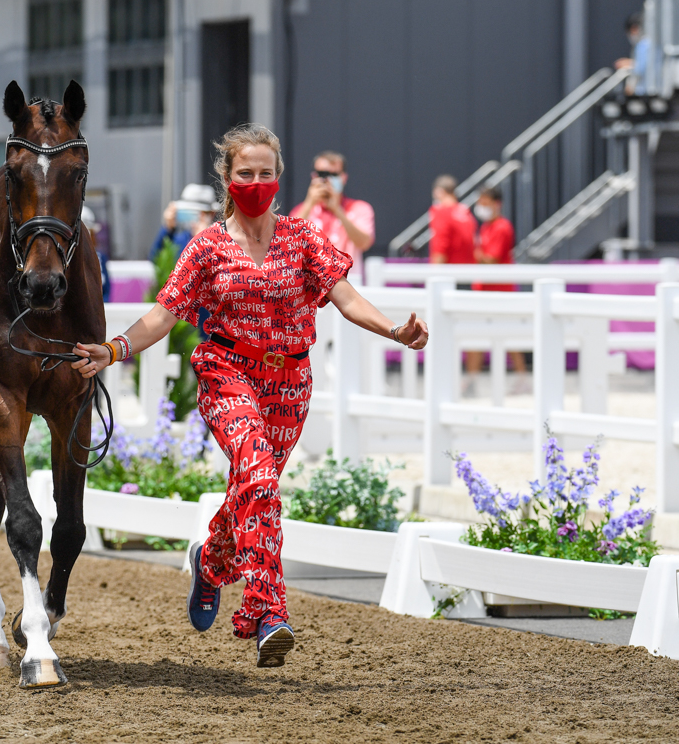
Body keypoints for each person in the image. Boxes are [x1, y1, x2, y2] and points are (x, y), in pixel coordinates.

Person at [69, 124, 429, 667]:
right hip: (226, 371)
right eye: (245, 173)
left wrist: (395, 333)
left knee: (251, 491)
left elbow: (348, 299)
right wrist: (114, 348)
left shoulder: (303, 239)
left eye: (265, 173)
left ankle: (211, 563)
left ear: (279, 179)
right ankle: (269, 612)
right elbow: (164, 315)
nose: (255, 182)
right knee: (257, 477)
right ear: (227, 178)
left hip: (290, 382)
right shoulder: (208, 247)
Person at [467, 186, 527, 377]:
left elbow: (491, 258)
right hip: (483, 289)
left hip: (501, 291)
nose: (481, 206)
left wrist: (474, 253)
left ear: (496, 204)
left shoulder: (502, 226)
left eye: (485, 202)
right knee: (476, 335)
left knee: (509, 335)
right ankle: (471, 379)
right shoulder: (484, 227)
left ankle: (522, 377)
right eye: (480, 202)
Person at [291, 150, 375, 283]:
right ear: (314, 176)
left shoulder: (360, 208)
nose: (327, 179)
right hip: (310, 286)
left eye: (333, 174)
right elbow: (288, 240)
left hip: (349, 283)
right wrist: (309, 203)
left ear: (344, 178)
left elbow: (364, 243)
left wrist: (337, 210)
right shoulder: (302, 210)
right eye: (322, 174)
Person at [149, 183, 217, 261]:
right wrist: (168, 229)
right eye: (190, 212)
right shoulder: (181, 240)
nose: (195, 219)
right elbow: (154, 260)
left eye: (202, 213)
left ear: (212, 214)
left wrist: (203, 241)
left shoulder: (220, 242)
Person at [428, 174, 476, 267]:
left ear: (439, 192)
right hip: (468, 271)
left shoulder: (441, 211)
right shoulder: (465, 211)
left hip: (449, 273)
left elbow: (440, 246)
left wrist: (435, 272)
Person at [615, 12, 653, 96]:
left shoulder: (644, 44)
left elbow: (641, 69)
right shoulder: (648, 43)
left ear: (633, 29)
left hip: (646, 92)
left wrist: (627, 64)